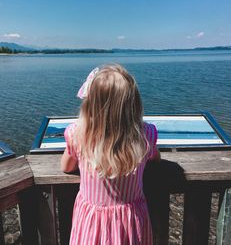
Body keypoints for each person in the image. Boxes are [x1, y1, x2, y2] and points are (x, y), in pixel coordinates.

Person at [61, 64, 160, 245]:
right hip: (130, 220)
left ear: (91, 103)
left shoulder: (77, 134)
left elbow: (66, 167)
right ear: (133, 103)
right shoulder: (147, 134)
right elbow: (155, 158)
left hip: (92, 221)